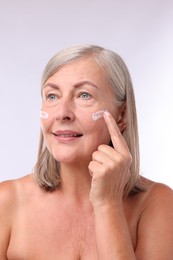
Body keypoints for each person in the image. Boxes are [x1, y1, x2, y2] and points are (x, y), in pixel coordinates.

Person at [0, 44, 173, 260]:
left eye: (83, 95)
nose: (62, 113)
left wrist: (107, 204)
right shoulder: (6, 202)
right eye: (52, 96)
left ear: (122, 115)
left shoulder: (156, 203)